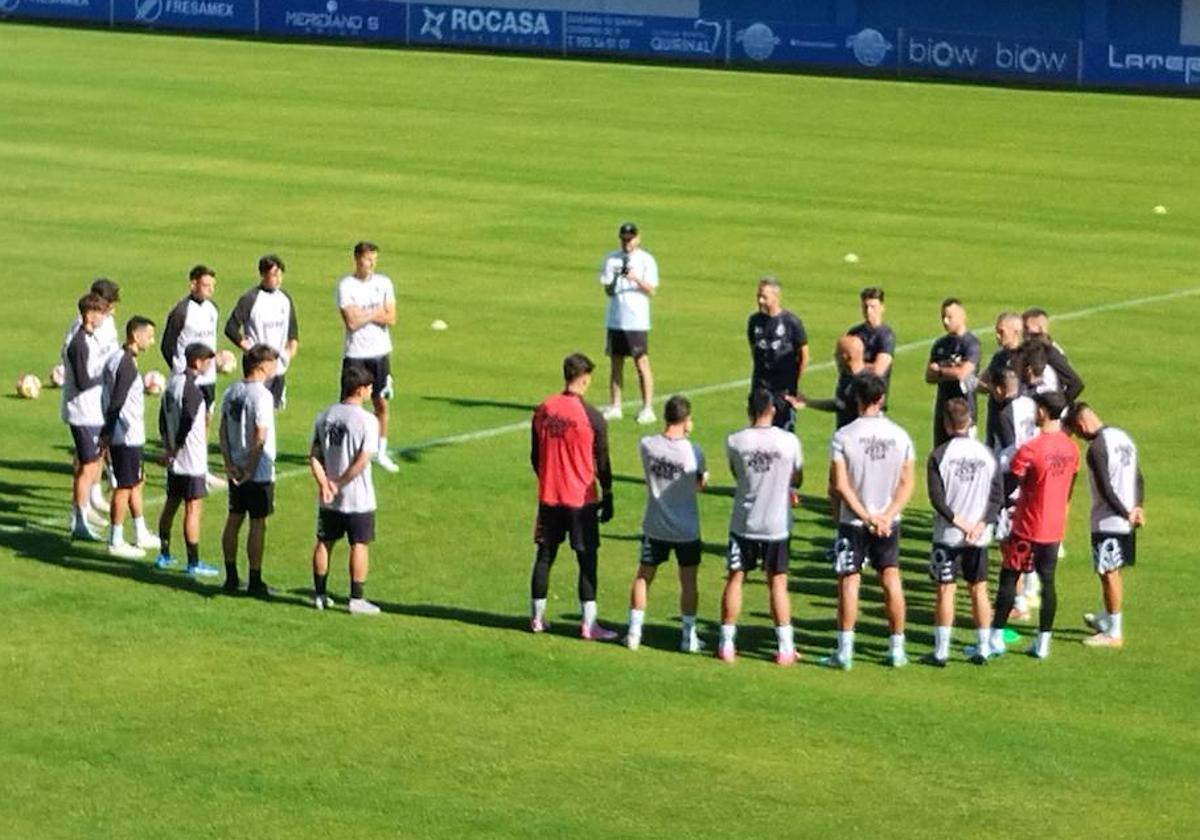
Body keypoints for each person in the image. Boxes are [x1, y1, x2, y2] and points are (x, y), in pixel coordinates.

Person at [978, 390, 1079, 661]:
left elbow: (1010, 483)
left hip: (1027, 526)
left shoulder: (1032, 448)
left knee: (1009, 578)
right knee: (1048, 583)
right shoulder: (1071, 448)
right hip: (1055, 527)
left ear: (1044, 412)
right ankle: (1043, 642)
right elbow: (1071, 483)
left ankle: (996, 637)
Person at [823, 373, 915, 670]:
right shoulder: (901, 436)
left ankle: (845, 652)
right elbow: (906, 483)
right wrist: (886, 516)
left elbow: (840, 484)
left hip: (854, 521)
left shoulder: (843, 437)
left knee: (849, 581)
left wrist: (865, 516)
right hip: (888, 521)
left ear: (857, 399)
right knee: (891, 578)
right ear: (882, 398)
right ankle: (896, 649)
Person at [529, 353, 617, 640]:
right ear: (585, 378)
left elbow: (535, 456)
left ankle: (537, 618)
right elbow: (602, 461)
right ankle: (588, 624)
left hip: (549, 497)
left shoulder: (543, 410)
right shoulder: (591, 417)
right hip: (581, 499)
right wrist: (609, 493)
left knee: (545, 555)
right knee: (586, 559)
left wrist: (549, 479)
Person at [717, 388, 803, 666]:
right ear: (773, 410)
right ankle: (785, 647)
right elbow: (797, 477)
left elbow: (736, 474)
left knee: (735, 578)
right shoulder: (789, 441)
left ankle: (726, 643)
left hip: (744, 521)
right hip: (777, 524)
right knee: (777, 583)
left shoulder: (735, 441)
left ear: (749, 410)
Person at [625, 395, 707, 653]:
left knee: (644, 576)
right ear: (685, 420)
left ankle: (633, 633)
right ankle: (688, 637)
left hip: (655, 524)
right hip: (686, 529)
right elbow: (698, 485)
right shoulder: (694, 452)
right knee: (689, 581)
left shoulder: (647, 445)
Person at [925, 398, 1004, 666]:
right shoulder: (987, 454)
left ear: (947, 424)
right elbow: (997, 497)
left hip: (948, 536)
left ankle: (941, 651)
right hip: (978, 537)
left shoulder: (939, 456)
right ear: (970, 420)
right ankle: (982, 647)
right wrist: (980, 524)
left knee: (946, 590)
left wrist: (961, 523)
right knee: (979, 589)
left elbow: (937, 500)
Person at [1067, 403, 1145, 649]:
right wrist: (1138, 507)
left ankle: (1114, 632)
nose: (1080, 437)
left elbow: (1105, 489)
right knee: (1114, 571)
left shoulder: (1097, 448)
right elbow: (1138, 477)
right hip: (1127, 519)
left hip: (1109, 520)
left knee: (1108, 573)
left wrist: (1124, 512)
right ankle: (1106, 616)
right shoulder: (1123, 438)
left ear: (1081, 425)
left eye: (1078, 433)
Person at [309, 364, 382, 616]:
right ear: (360, 390)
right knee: (359, 544)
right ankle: (356, 598)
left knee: (324, 542)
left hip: (329, 498)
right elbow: (363, 459)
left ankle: (319, 594)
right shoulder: (367, 421)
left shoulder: (325, 415)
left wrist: (325, 483)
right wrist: (339, 482)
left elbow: (315, 456)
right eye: (370, 387)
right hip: (357, 497)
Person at [219, 344, 280, 597]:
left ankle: (231, 577)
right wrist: (250, 469)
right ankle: (255, 579)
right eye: (273, 363)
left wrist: (229, 463)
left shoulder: (232, 390)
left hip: (235, 466)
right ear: (262, 367)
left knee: (234, 519)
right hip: (257, 471)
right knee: (257, 523)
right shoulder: (262, 396)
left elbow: (222, 430)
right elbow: (260, 435)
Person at [155, 342, 219, 577]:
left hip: (175, 459)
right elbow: (188, 419)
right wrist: (177, 448)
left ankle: (164, 553)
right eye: (207, 361)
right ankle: (193, 562)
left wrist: (167, 445)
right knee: (193, 509)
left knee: (171, 503)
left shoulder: (172, 383)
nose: (209, 365)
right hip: (191, 459)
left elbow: (162, 418)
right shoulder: (193, 390)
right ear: (198, 362)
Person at [99, 316, 161, 559]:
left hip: (128, 434)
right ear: (136, 335)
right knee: (124, 486)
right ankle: (115, 539)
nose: (152, 341)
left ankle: (140, 530)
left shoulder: (117, 359)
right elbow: (117, 401)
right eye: (149, 335)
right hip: (125, 436)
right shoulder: (125, 364)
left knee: (136, 481)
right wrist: (107, 434)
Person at [338, 241, 400, 473]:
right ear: (356, 259)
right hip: (356, 354)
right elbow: (351, 322)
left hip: (380, 353)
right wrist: (377, 312)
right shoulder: (346, 285)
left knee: (381, 403)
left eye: (374, 259)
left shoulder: (384, 283)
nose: (371, 264)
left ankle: (380, 452)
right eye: (367, 259)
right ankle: (346, 450)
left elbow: (391, 317)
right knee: (350, 404)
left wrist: (365, 313)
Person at [62, 278, 122, 518]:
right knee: (86, 461)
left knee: (95, 456)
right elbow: (82, 375)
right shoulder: (79, 334)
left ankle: (91, 498)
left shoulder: (107, 324)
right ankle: (80, 511)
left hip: (100, 403)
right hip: (83, 407)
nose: (113, 309)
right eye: (109, 305)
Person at [161, 265, 225, 490]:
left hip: (208, 379)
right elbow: (167, 345)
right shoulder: (181, 311)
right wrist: (180, 372)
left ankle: (201, 466)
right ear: (193, 284)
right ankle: (175, 460)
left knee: (206, 420)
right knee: (184, 423)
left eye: (212, 286)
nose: (210, 290)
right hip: (187, 379)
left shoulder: (213, 309)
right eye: (206, 285)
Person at [598, 222, 659, 424]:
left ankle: (647, 407)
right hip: (616, 319)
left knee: (641, 363)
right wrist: (616, 278)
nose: (627, 242)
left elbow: (651, 290)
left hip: (637, 320)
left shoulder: (646, 260)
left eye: (630, 238)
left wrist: (634, 278)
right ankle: (615, 405)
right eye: (624, 239)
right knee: (616, 363)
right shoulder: (611, 259)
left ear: (638, 239)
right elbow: (608, 291)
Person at [225, 254, 300, 409]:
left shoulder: (285, 299)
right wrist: (253, 351)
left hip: (278, 368)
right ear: (263, 275)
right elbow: (231, 328)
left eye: (280, 275)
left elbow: (293, 332)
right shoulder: (250, 299)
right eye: (274, 275)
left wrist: (289, 353)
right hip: (257, 369)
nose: (278, 279)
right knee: (255, 409)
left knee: (272, 410)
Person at [747, 276, 809, 431]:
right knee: (758, 429)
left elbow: (804, 356)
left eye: (764, 297)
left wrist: (793, 382)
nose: (760, 301)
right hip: (760, 387)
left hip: (783, 390)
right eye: (758, 296)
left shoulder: (791, 322)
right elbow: (754, 349)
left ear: (776, 297)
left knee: (783, 430)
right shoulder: (754, 321)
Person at [926, 298, 981, 447]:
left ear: (962, 316)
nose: (945, 321)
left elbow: (962, 373)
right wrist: (951, 371)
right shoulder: (940, 344)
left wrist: (941, 370)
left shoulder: (971, 344)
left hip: (965, 412)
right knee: (941, 453)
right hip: (943, 412)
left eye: (949, 317)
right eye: (943, 316)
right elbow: (929, 376)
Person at [978, 312, 1024, 451]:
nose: (997, 336)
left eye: (1001, 332)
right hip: (995, 420)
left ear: (1016, 331)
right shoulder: (999, 356)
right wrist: (992, 388)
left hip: (1015, 421)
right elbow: (981, 383)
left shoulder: (1025, 357)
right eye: (996, 332)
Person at [1022, 308, 1084, 402]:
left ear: (1040, 329)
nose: (1023, 332)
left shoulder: (1050, 352)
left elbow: (1075, 383)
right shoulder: (1030, 349)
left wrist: (1058, 407)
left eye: (1026, 327)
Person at [846, 286, 896, 397]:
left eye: (873, 307)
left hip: (873, 398)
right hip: (852, 396)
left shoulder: (886, 335)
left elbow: (878, 370)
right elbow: (843, 365)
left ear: (882, 308)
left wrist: (855, 364)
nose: (868, 311)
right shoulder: (854, 332)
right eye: (865, 307)